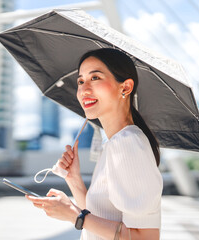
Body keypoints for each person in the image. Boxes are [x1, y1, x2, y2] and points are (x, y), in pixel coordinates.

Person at [26, 48, 163, 240]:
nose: (84, 90)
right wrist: (74, 180)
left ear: (125, 88)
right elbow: (100, 218)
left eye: (95, 78)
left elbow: (145, 237)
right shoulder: (115, 144)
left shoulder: (127, 144)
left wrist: (75, 215)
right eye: (81, 81)